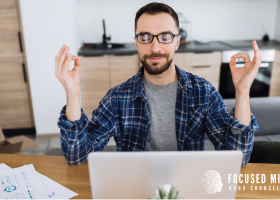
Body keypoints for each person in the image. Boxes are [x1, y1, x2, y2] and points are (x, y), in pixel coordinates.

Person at [55, 2, 259, 167]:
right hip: (134, 189)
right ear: (136, 42)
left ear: (177, 42)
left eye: (165, 36)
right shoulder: (116, 98)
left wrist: (242, 91)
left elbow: (237, 158)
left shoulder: (203, 93)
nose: (155, 47)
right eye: (145, 37)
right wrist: (72, 95)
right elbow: (78, 156)